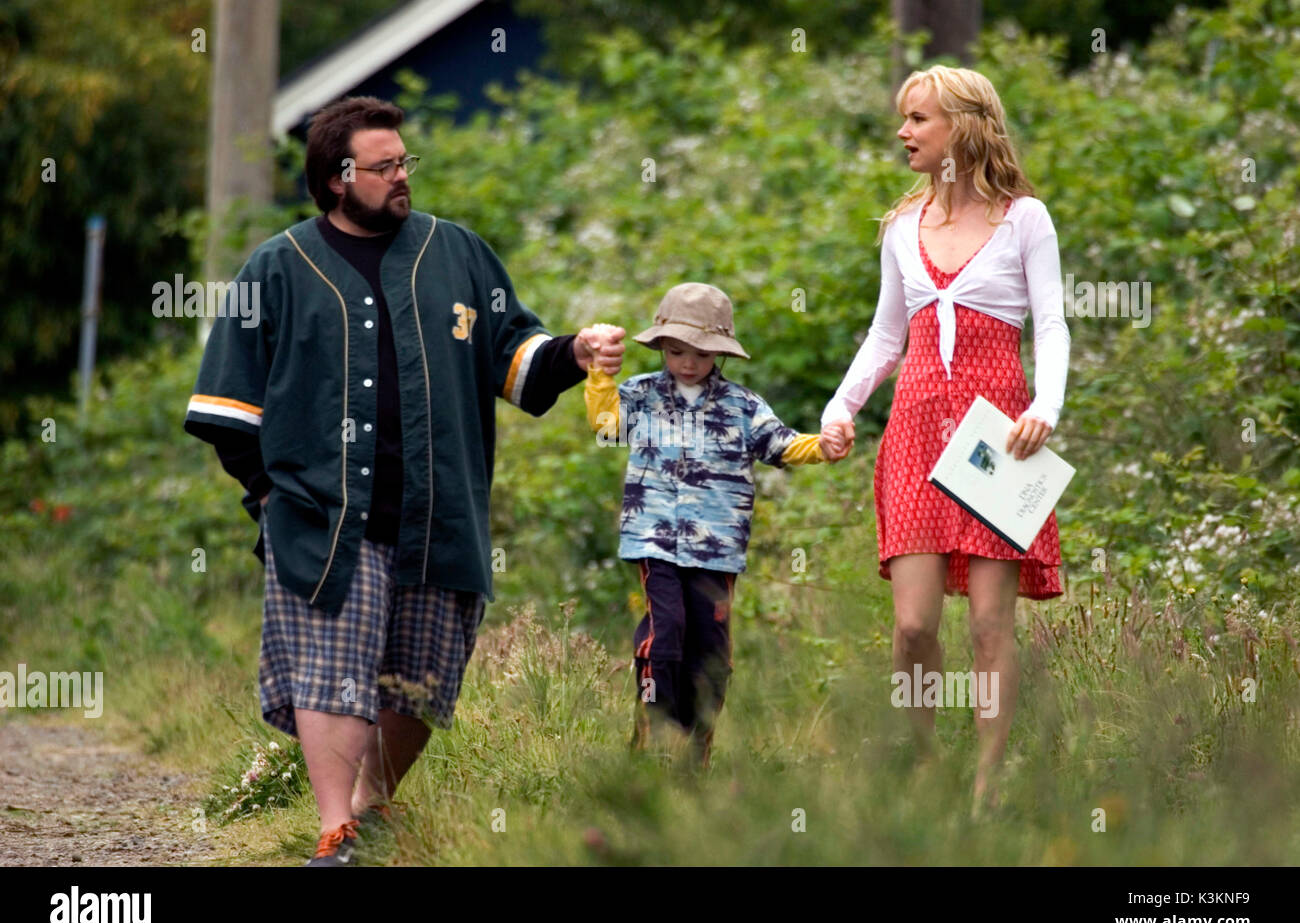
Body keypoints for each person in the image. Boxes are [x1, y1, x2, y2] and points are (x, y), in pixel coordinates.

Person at [183, 96, 624, 865]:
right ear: (335, 178)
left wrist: (575, 351)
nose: (401, 177)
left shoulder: (457, 254)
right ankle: (333, 830)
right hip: (323, 521)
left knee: (420, 686)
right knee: (333, 674)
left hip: (438, 514)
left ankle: (371, 806)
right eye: (383, 166)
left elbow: (514, 356)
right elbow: (226, 411)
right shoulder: (277, 268)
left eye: (403, 162)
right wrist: (273, 498)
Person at [820, 65, 1071, 815]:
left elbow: (1052, 324)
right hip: (916, 434)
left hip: (999, 437)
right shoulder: (902, 226)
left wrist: (1047, 407)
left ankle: (987, 784)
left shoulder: (1025, 219)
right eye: (905, 119)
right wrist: (842, 407)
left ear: (963, 125)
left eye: (919, 119)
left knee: (992, 623)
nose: (904, 133)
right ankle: (927, 764)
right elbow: (885, 334)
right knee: (911, 626)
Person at [584, 283, 842, 767]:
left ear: (719, 354)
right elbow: (605, 425)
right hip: (654, 539)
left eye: (700, 354)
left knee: (712, 651)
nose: (687, 363)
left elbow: (780, 443)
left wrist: (822, 446)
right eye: (677, 351)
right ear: (662, 346)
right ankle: (653, 726)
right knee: (666, 632)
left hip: (718, 547)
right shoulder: (639, 395)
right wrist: (599, 373)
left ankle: (697, 740)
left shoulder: (743, 406)